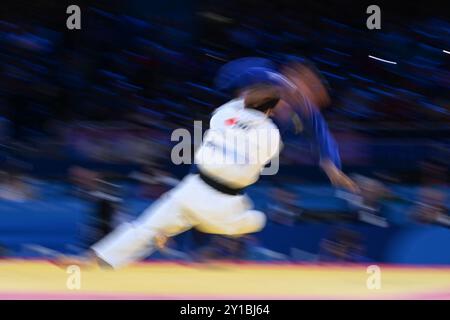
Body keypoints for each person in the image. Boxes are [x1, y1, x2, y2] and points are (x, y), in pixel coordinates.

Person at [60, 58, 357, 269]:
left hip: (223, 200)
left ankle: (211, 230)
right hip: (197, 185)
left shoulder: (269, 130)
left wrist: (330, 163)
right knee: (145, 226)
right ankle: (93, 260)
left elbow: (315, 128)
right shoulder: (234, 106)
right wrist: (279, 87)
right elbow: (232, 77)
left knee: (239, 215)